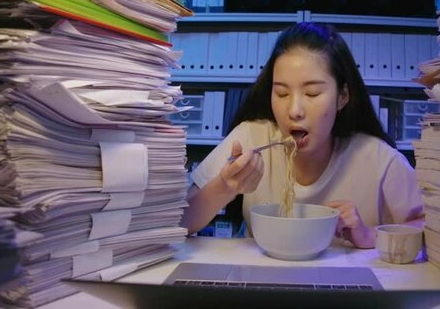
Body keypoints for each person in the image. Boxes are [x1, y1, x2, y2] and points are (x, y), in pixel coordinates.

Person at [181, 22, 423, 248]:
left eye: (312, 93)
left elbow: (433, 229)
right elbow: (179, 221)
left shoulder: (378, 160)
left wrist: (371, 235)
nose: (294, 111)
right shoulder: (250, 139)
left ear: (342, 97)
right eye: (282, 94)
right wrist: (225, 187)